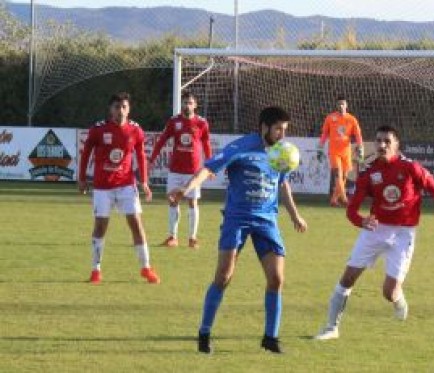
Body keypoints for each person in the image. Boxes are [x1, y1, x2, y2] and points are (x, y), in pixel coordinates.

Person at [169, 106, 307, 354]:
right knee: (223, 277)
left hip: (266, 220)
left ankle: (270, 338)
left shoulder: (280, 153)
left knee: (276, 278)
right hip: (237, 218)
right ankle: (204, 332)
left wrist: (295, 215)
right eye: (278, 129)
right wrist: (186, 189)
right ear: (264, 127)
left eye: (285, 130)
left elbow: (282, 184)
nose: (282, 135)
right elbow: (209, 168)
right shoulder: (241, 146)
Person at [314, 125, 434, 340]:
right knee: (347, 278)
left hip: (404, 234)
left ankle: (399, 301)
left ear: (396, 145)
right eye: (379, 141)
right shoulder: (369, 172)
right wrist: (362, 221)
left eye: (387, 141)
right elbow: (352, 209)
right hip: (375, 230)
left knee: (389, 292)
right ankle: (331, 328)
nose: (382, 145)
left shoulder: (411, 168)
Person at [78, 92, 160, 285]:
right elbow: (86, 153)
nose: (120, 111)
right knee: (100, 226)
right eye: (117, 107)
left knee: (136, 224)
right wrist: (82, 178)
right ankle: (95, 270)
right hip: (102, 187)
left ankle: (146, 268)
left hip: (126, 185)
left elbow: (140, 155)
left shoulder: (135, 130)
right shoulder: (98, 129)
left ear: (129, 109)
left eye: (124, 107)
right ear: (110, 109)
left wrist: (144, 182)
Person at [149, 92, 212, 249]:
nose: (187, 105)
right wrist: (151, 159)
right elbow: (162, 140)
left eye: (190, 103)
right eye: (185, 102)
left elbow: (206, 145)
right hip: (175, 169)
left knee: (192, 202)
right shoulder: (174, 121)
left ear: (195, 105)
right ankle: (172, 237)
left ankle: (192, 238)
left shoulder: (202, 123)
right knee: (173, 201)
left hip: (194, 172)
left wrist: (211, 166)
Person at [318, 96, 364, 207]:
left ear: (346, 105)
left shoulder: (352, 119)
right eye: (339, 104)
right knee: (338, 174)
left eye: (343, 104)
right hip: (334, 151)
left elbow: (358, 135)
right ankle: (344, 198)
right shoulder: (330, 118)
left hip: (346, 151)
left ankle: (334, 199)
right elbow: (324, 134)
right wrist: (320, 147)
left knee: (343, 176)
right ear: (336, 106)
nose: (341, 106)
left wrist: (361, 148)